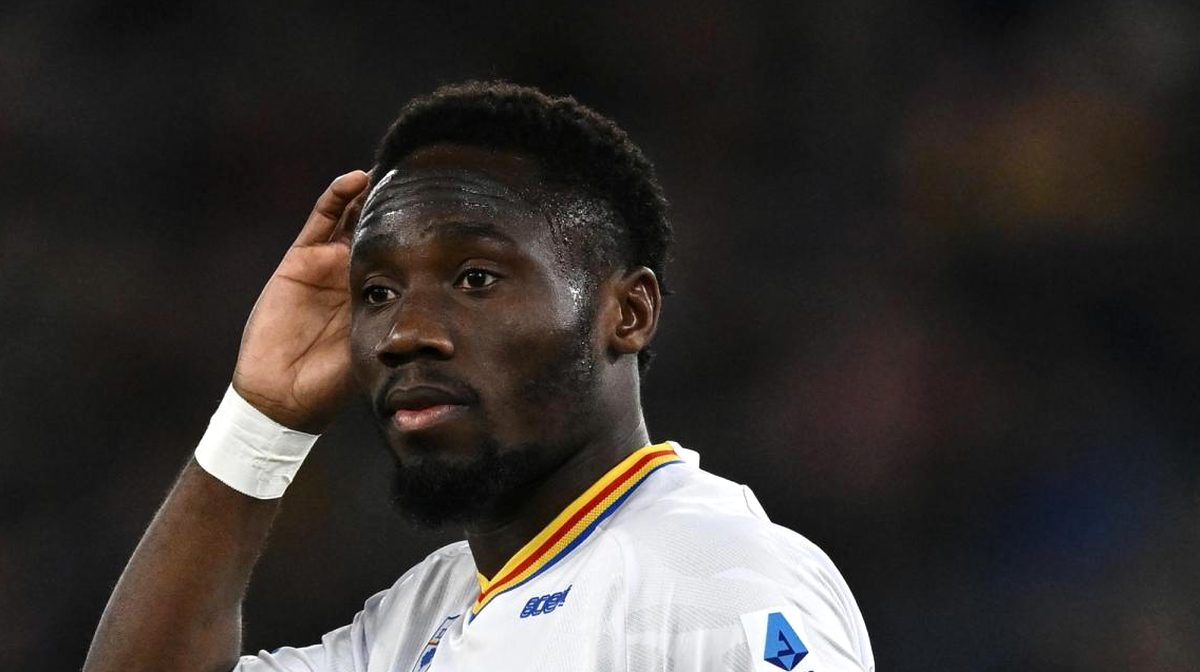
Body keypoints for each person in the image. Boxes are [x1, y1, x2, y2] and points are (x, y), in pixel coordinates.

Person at [83, 81, 875, 672]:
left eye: (475, 279)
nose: (404, 334)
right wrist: (261, 421)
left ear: (627, 312)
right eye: (377, 293)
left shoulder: (717, 582)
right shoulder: (412, 625)